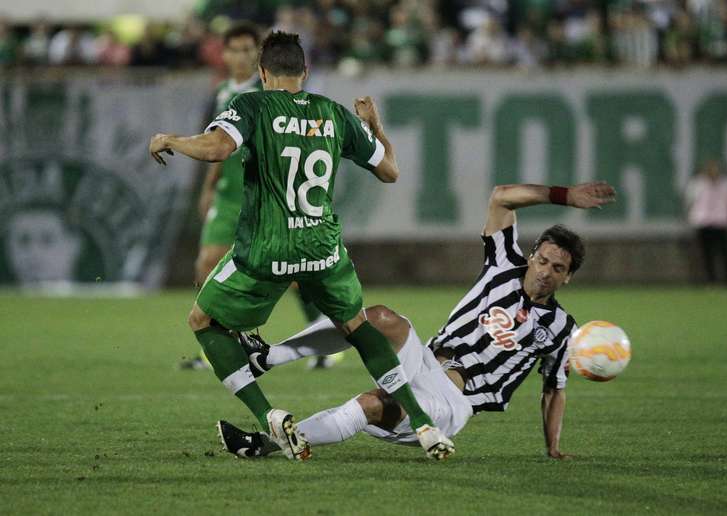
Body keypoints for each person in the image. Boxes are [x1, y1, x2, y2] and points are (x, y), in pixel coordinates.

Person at [149, 31, 453, 461]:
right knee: (358, 326)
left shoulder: (251, 104)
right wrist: (377, 128)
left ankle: (267, 414)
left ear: (262, 72)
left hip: (268, 250)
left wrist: (171, 140)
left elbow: (217, 148)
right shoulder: (332, 112)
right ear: (304, 72)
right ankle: (423, 423)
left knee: (202, 320)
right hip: (324, 250)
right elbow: (389, 172)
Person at [216, 181, 616, 459]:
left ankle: (266, 444)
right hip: (424, 360)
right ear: (532, 255)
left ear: (568, 277)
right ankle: (266, 358)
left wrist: (553, 448)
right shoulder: (502, 266)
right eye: (543, 260)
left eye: (557, 267)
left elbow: (554, 389)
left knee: (373, 404)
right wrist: (565, 195)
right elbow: (501, 197)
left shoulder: (561, 328)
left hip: (449, 402)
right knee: (380, 317)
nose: (546, 271)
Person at [181, 22, 332, 371]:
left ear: (258, 57)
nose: (241, 56)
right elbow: (217, 144)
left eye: (249, 50)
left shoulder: (268, 92)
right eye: (234, 49)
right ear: (224, 54)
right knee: (206, 264)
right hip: (229, 194)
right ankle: (217, 346)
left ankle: (322, 336)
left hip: (264, 194)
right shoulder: (221, 92)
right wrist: (208, 188)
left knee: (293, 274)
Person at [685, 160, 727, 284]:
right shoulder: (697, 184)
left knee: (724, 252)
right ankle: (710, 279)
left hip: (721, 221)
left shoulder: (726, 184)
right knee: (706, 253)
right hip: (703, 222)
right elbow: (689, 201)